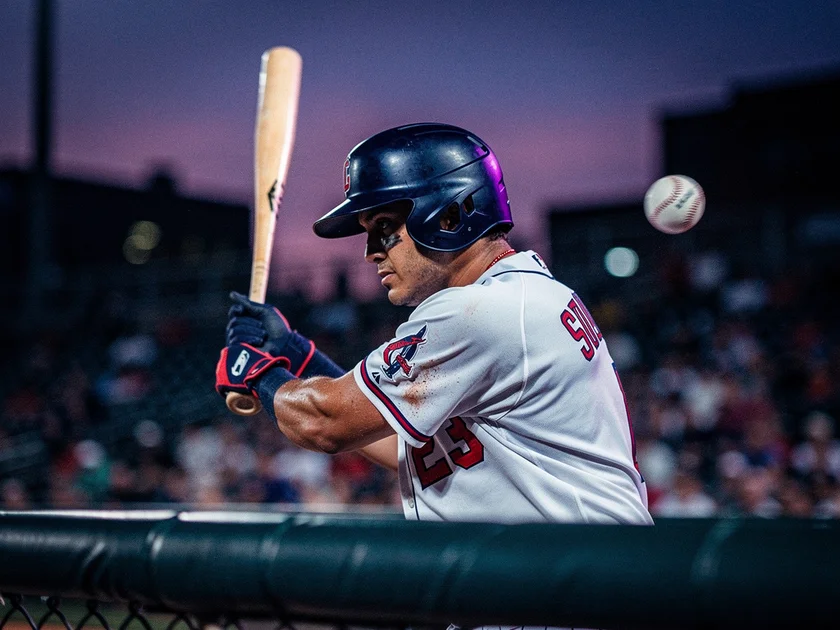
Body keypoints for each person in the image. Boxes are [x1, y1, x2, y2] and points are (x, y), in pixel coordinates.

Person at [216, 122, 652, 525]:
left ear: (449, 216)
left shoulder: (480, 312)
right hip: (580, 579)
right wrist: (297, 353)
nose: (370, 251)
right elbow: (405, 443)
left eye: (384, 226)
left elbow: (326, 423)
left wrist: (254, 373)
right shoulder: (526, 296)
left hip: (574, 591)